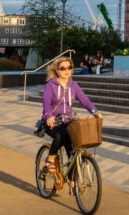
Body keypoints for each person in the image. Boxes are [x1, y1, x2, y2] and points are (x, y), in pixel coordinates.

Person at [41, 56, 101, 188]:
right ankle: (51, 158)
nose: (67, 70)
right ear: (57, 70)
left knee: (73, 148)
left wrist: (94, 111)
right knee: (59, 135)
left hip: (68, 121)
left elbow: (84, 100)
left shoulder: (73, 85)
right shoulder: (51, 85)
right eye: (63, 68)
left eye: (69, 67)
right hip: (52, 121)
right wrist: (49, 116)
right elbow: (46, 103)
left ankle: (72, 179)